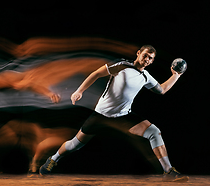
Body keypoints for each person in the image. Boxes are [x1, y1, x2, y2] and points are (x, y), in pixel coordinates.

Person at [39, 45, 188, 182]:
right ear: (138, 53)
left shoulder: (146, 77)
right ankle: (53, 159)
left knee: (154, 132)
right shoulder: (122, 65)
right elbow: (96, 73)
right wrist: (79, 91)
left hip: (123, 116)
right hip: (101, 116)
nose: (147, 60)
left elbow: (162, 90)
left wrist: (176, 75)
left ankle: (168, 171)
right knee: (73, 145)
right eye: (145, 56)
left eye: (151, 58)